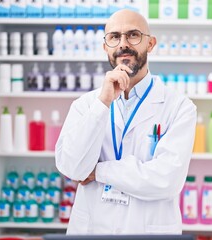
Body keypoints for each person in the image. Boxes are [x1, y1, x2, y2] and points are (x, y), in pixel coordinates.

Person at [55, 9, 197, 235]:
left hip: (149, 230)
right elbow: (72, 167)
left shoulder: (180, 107)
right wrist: (102, 104)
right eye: (114, 37)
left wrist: (100, 172)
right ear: (105, 47)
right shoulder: (86, 105)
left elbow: (167, 180)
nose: (123, 44)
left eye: (133, 35)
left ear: (150, 44)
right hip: (93, 228)